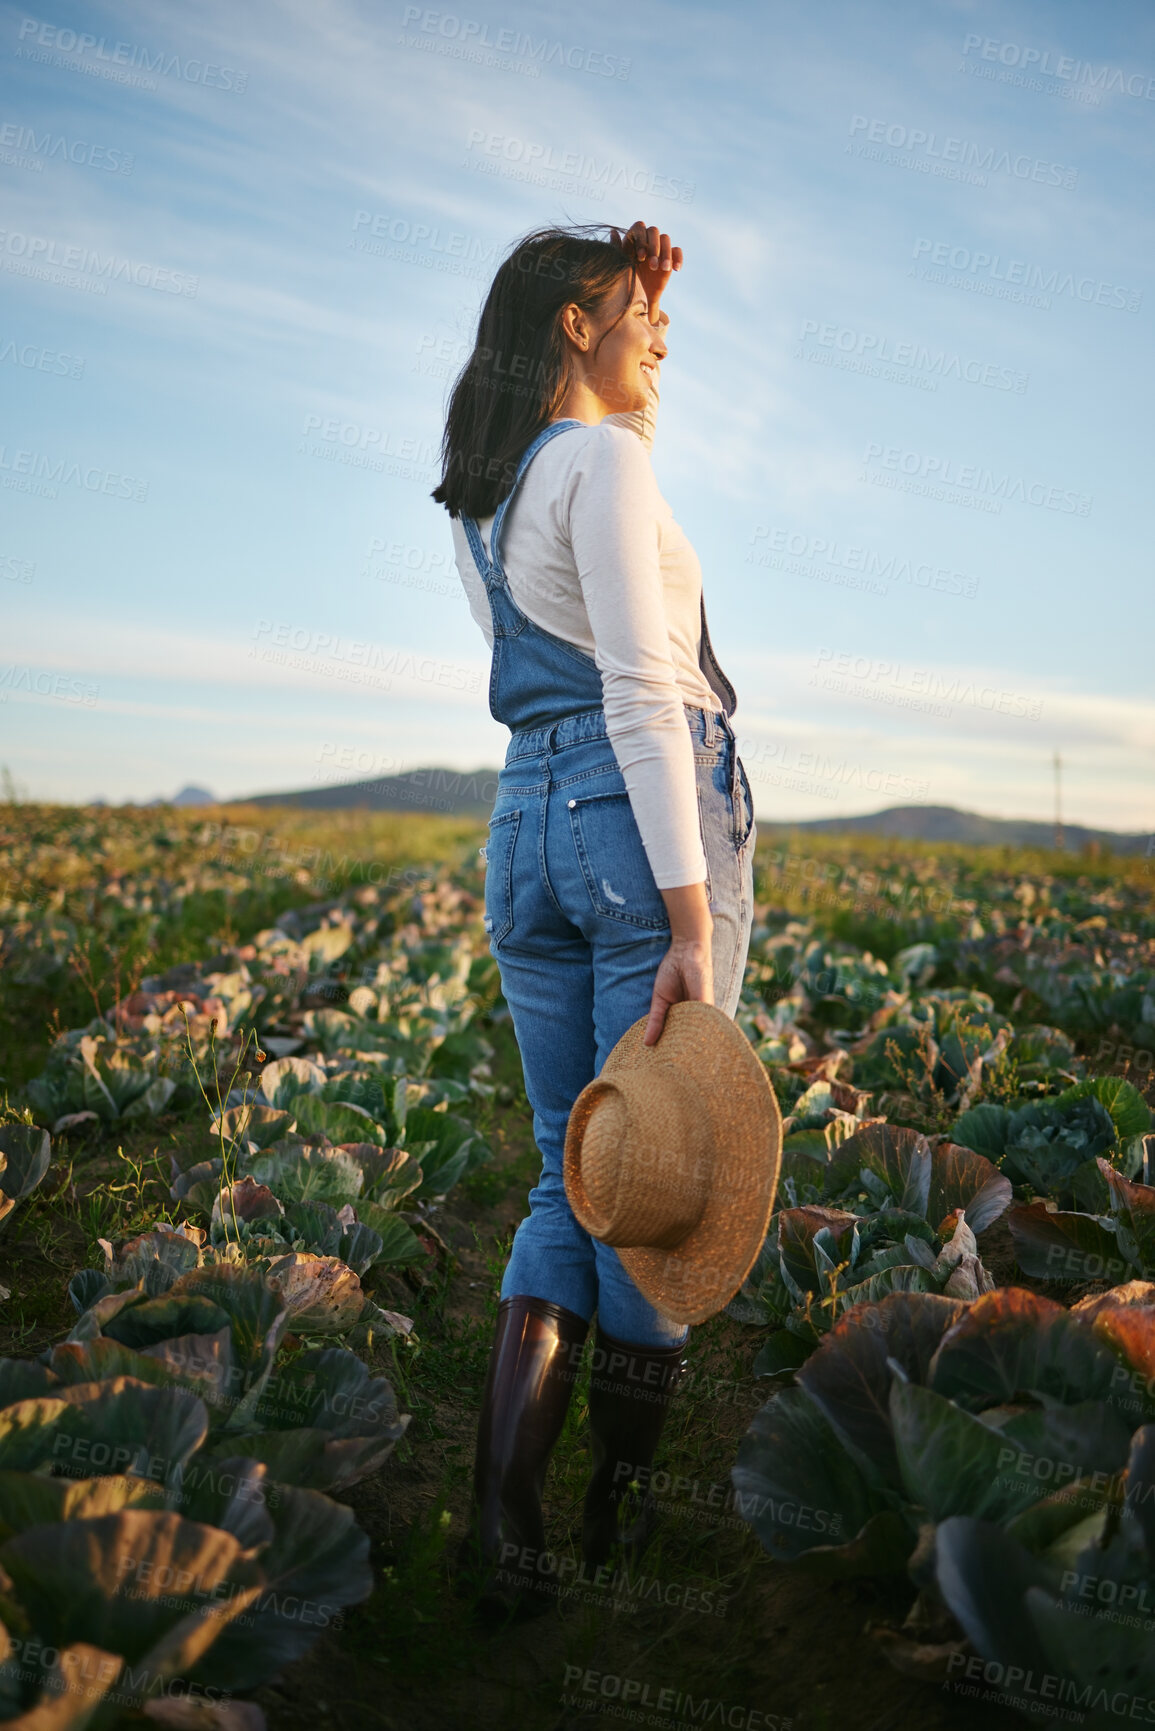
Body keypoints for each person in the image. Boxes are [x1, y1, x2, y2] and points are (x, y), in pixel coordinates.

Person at [431, 218, 757, 1613]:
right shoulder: (607, 464)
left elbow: (570, 645)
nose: (664, 338)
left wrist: (632, 300)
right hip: (640, 821)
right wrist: (689, 917)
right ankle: (625, 1509)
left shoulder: (489, 495)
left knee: (570, 1169)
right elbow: (640, 686)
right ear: (575, 323)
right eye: (641, 318)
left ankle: (504, 1535)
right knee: (667, 1181)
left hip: (523, 822)